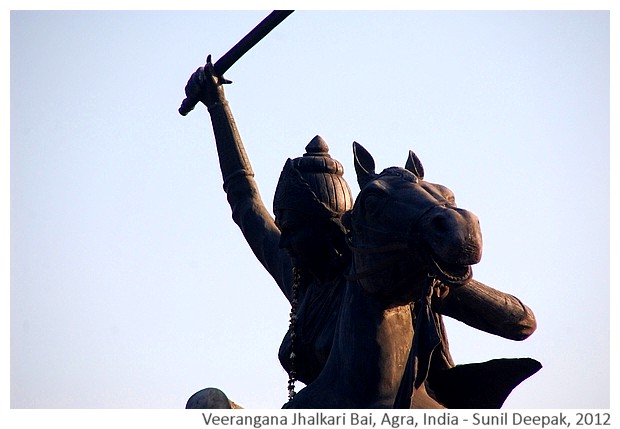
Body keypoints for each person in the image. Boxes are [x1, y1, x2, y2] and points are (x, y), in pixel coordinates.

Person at [182, 57, 538, 408]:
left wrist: (446, 278)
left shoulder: (392, 275)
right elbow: (245, 201)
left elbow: (521, 323)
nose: (284, 239)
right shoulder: (299, 274)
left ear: (332, 229)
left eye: (293, 230)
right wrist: (217, 105)